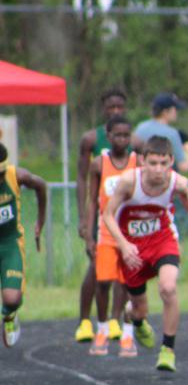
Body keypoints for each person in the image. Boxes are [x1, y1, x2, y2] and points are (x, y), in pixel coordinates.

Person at [102, 136, 188, 371]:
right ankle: (136, 318)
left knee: (168, 288)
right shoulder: (129, 182)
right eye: (153, 163)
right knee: (139, 307)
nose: (158, 170)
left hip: (162, 240)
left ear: (171, 161)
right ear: (142, 161)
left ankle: (168, 349)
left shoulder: (176, 182)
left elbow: (187, 195)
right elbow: (108, 215)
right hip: (133, 248)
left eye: (163, 163)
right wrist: (123, 244)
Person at [74, 87, 127, 344]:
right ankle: (85, 321)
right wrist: (84, 218)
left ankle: (115, 320)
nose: (115, 111)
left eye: (119, 107)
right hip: (99, 213)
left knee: (124, 270)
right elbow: (82, 179)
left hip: (124, 216)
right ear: (103, 109)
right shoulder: (91, 140)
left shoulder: (131, 140)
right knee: (96, 267)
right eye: (111, 107)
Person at [82, 115, 138, 356]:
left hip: (131, 233)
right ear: (108, 135)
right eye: (118, 135)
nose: (122, 140)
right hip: (106, 232)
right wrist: (88, 232)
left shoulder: (138, 162)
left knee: (129, 283)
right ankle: (102, 328)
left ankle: (128, 333)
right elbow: (92, 201)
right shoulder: (98, 164)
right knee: (103, 282)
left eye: (126, 135)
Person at [0, 143, 47, 348]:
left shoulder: (17, 176)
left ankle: (9, 316)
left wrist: (40, 221)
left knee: (11, 299)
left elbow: (41, 185)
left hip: (10, 242)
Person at [134, 93, 188, 173]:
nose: (176, 112)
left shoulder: (141, 127)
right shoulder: (171, 133)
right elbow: (183, 166)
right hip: (162, 179)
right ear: (165, 112)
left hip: (142, 177)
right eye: (175, 109)